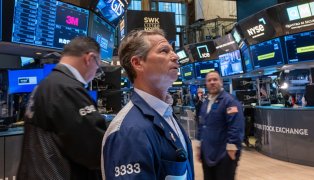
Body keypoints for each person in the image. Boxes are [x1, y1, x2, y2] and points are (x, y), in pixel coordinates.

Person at [101, 29, 194, 179]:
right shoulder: (129, 131)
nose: (175, 56)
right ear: (138, 63)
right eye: (164, 51)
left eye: (172, 50)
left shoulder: (166, 114)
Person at [17, 37, 108, 180]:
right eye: (98, 66)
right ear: (89, 58)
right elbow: (93, 150)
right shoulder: (68, 89)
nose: (95, 73)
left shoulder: (46, 84)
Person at [197, 71, 244, 180]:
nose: (212, 82)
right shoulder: (206, 103)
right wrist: (200, 146)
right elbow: (202, 125)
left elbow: (236, 126)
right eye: (209, 80)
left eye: (215, 79)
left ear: (221, 82)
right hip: (208, 153)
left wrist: (232, 149)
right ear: (206, 84)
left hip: (224, 154)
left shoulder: (230, 101)